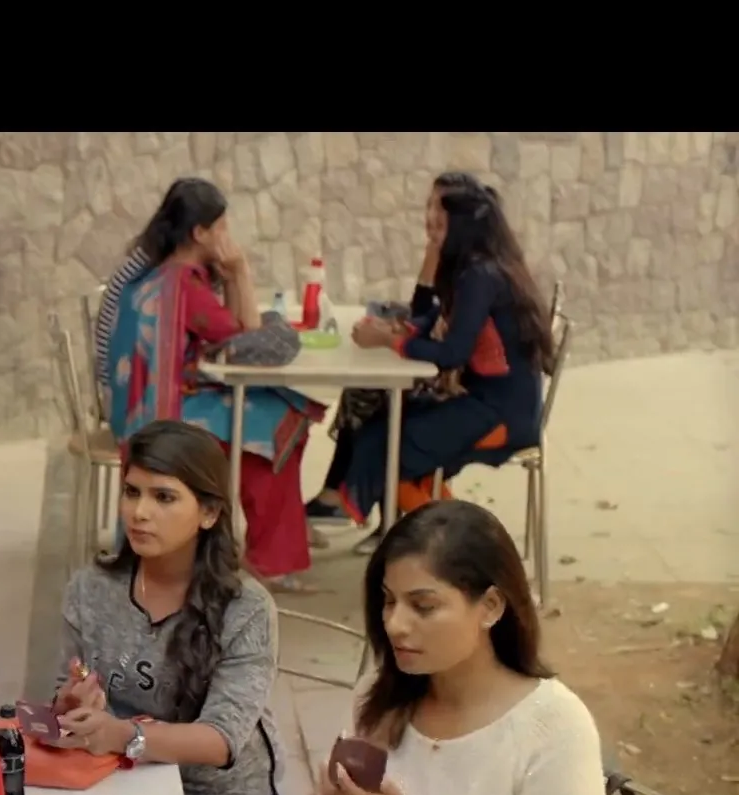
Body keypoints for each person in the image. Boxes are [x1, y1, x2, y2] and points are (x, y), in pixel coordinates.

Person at [310, 500, 605, 795]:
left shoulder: (557, 728)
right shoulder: (381, 697)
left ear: (490, 606)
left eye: (423, 606)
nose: (395, 624)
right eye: (388, 601)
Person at [53, 420, 288, 795]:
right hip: (116, 784)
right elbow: (61, 696)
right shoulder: (91, 589)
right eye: (132, 492)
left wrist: (123, 734)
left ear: (209, 512)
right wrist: (73, 703)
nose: (139, 512)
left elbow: (222, 740)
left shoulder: (246, 608)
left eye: (163, 497)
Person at [95, 178, 326, 590]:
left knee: (277, 416)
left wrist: (231, 278)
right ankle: (270, 558)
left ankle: (273, 546)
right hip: (168, 415)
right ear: (200, 233)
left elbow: (231, 331)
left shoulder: (157, 274)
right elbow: (248, 335)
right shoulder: (185, 286)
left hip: (136, 409)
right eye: (221, 227)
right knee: (277, 426)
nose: (226, 236)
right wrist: (241, 271)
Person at [331, 184, 555, 529]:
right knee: (385, 431)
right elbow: (437, 318)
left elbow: (452, 353)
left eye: (441, 222)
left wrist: (390, 342)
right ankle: (455, 539)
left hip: (501, 416)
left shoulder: (481, 277)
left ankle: (458, 546)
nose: (432, 229)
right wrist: (401, 330)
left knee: (391, 448)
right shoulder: (481, 268)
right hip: (486, 402)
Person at [307, 171, 488, 533]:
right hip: (447, 371)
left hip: (465, 387)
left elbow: (450, 342)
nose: (430, 216)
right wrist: (431, 254)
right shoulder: (451, 256)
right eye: (429, 205)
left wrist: (392, 338)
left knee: (373, 393)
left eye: (440, 208)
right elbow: (423, 309)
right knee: (367, 389)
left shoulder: (474, 268)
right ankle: (357, 501)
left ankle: (349, 498)